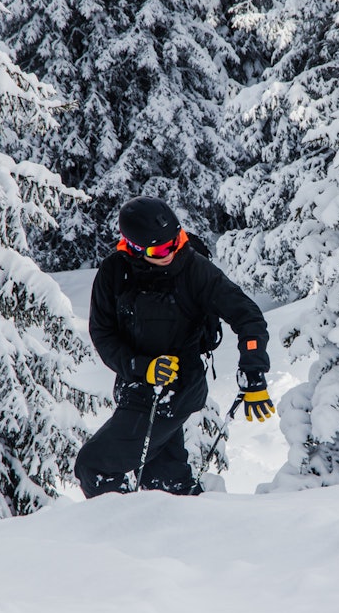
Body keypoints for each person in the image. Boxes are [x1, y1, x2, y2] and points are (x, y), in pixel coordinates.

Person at [74, 196, 274, 497]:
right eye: (160, 249)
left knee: (94, 466)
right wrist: (142, 367)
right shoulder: (114, 273)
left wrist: (254, 373)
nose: (171, 252)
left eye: (176, 240)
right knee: (165, 484)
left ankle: (119, 533)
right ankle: (182, 533)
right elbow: (103, 334)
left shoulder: (195, 270)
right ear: (135, 249)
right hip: (137, 387)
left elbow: (248, 317)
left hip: (175, 393)